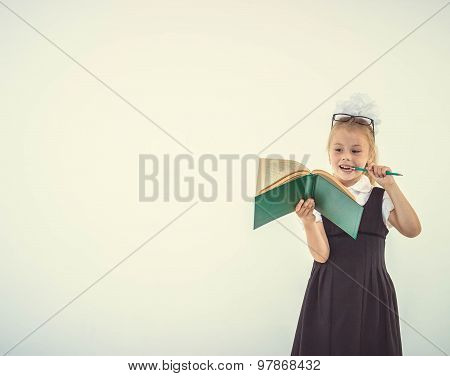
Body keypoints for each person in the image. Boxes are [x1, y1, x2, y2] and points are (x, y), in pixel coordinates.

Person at [291, 113, 421, 356]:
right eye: (338, 149)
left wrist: (390, 186)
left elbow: (412, 229)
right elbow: (321, 256)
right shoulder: (316, 198)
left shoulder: (378, 198)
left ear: (370, 156)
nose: (346, 157)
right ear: (329, 154)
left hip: (372, 292)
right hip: (327, 292)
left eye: (356, 150)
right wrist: (308, 221)